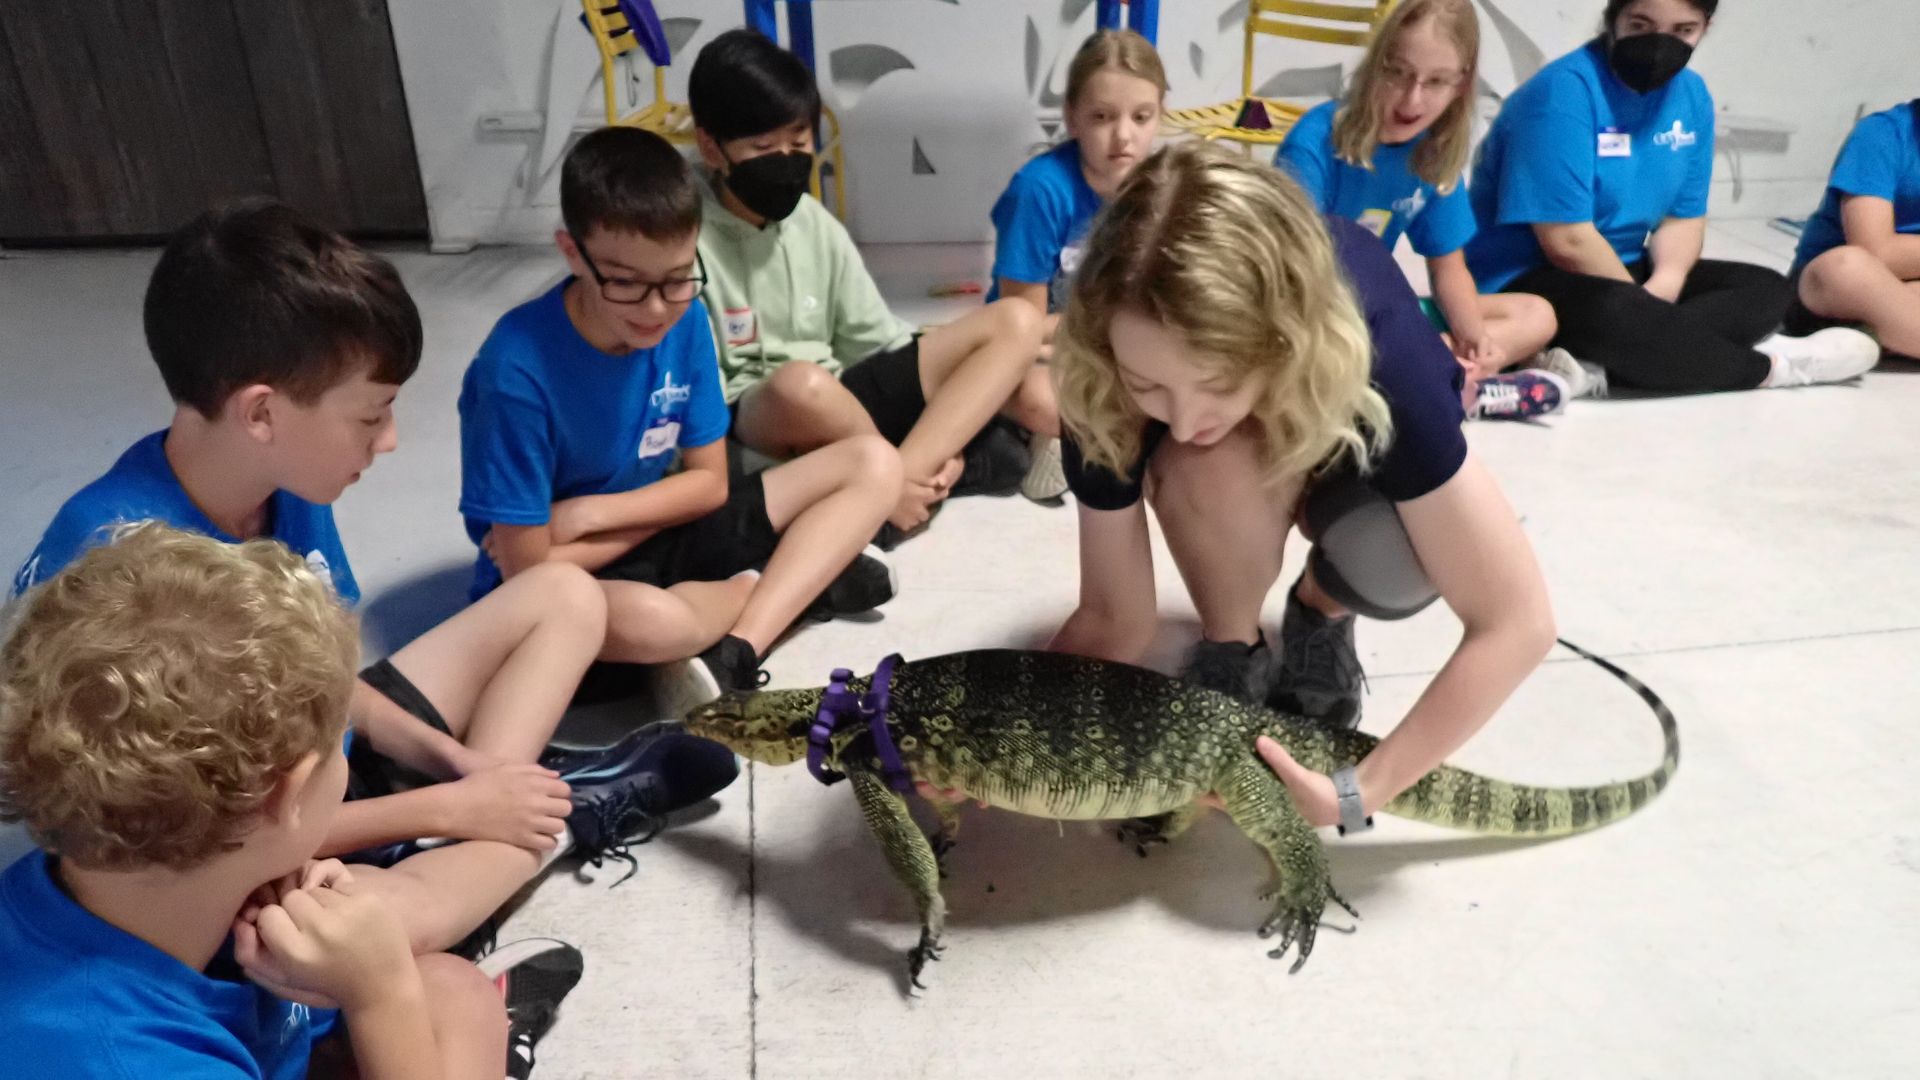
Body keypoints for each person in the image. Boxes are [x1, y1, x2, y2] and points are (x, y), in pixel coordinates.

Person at [10, 199, 671, 959]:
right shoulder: (127, 573)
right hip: (215, 852)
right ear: (262, 413)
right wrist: (451, 808)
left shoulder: (280, 481)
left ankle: (500, 823)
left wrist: (460, 768)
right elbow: (209, 841)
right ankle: (530, 835)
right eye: (371, 416)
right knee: (305, 944)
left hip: (310, 772)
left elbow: (325, 683)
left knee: (565, 596)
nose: (390, 442)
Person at [1049, 142, 1556, 830]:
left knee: (1396, 555)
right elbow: (1116, 617)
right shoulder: (1098, 375)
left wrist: (1357, 791)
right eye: (1148, 386)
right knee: (1208, 459)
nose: (1186, 416)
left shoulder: (1383, 353)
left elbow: (1517, 622)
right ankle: (1233, 650)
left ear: (1283, 338)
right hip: (1235, 468)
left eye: (1217, 384)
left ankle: (1321, 608)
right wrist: (1017, 737)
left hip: (1338, 435)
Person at [0, 524, 580, 1078]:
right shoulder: (134, 1061)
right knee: (433, 998)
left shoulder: (131, 872)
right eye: (340, 743)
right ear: (289, 793)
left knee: (456, 990)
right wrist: (381, 996)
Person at [461, 126, 900, 706]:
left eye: (676, 280)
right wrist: (623, 524)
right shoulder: (513, 372)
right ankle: (790, 586)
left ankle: (738, 647)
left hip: (643, 526)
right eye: (625, 283)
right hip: (564, 585)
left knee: (872, 461)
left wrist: (587, 514)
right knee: (653, 621)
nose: (655, 309)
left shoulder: (684, 318)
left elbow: (710, 483)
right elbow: (528, 574)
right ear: (572, 252)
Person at [686, 28, 1064, 526]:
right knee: (802, 385)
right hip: (759, 411)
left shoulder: (812, 224)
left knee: (1016, 321)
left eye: (798, 142)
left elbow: (877, 341)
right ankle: (903, 480)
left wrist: (949, 378)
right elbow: (700, 398)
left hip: (844, 398)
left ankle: (902, 478)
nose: (787, 161)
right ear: (712, 148)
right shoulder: (684, 236)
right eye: (763, 146)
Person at [1465, 0, 1879, 394]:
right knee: (1616, 313)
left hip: (1624, 268)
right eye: (1640, 25)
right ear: (1613, 17)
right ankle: (1772, 369)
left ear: (1705, 29)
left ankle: (1601, 364)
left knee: (1766, 289)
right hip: (1528, 278)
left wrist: (1665, 283)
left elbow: (1682, 218)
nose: (1659, 44)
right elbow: (1567, 241)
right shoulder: (1561, 94)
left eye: (1683, 30)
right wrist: (1639, 306)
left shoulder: (1692, 96)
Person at [1276, 0, 1569, 420]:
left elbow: (1449, 268)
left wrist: (1474, 339)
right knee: (1306, 359)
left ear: (1461, 85)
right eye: (1397, 73)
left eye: (1436, 81)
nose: (1412, 97)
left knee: (1536, 315)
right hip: (1319, 316)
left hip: (1379, 317)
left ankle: (1449, 376)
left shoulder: (1433, 153)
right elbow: (1294, 274)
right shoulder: (1315, 140)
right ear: (1375, 65)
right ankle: (1443, 385)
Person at [989, 29, 1165, 316]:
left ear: (1160, 116)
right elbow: (1022, 329)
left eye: (1141, 117)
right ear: (1072, 118)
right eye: (1101, 117)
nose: (1123, 135)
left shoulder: (1164, 186)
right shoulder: (1037, 193)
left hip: (1113, 340)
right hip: (1039, 347)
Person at [1785, 97, 1920, 360]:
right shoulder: (1883, 133)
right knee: (1845, 267)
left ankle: (1893, 334)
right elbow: (1876, 250)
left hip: (1908, 287)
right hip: (1838, 290)